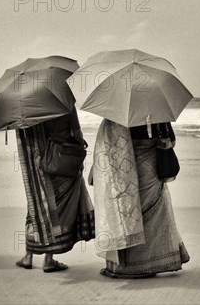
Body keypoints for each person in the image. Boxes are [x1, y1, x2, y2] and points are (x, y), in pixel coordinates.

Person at [90, 119, 189, 278]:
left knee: (124, 213)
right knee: (153, 212)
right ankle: (150, 264)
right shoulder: (156, 109)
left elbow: (106, 146)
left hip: (123, 171)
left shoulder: (116, 113)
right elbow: (172, 140)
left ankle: (121, 266)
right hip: (150, 167)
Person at [14, 107, 96, 272]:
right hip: (63, 162)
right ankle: (49, 259)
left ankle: (28, 257)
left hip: (38, 167)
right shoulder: (64, 103)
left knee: (37, 205)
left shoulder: (27, 108)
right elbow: (77, 135)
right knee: (58, 210)